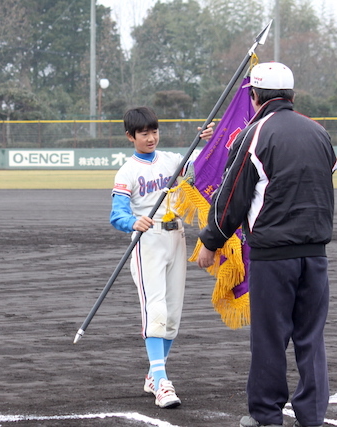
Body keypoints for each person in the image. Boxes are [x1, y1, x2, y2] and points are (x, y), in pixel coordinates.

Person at [196, 62, 337, 427]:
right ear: (292, 95)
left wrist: (211, 241)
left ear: (255, 96)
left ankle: (266, 415)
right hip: (316, 253)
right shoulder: (319, 132)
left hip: (273, 256)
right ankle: (312, 416)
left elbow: (232, 197)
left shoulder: (255, 133)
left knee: (270, 338)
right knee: (310, 338)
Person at [110, 107, 213, 409]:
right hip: (149, 240)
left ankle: (154, 373)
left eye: (154, 131)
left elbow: (206, 168)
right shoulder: (126, 171)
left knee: (172, 313)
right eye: (144, 133)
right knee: (155, 309)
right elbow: (117, 214)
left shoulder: (171, 160)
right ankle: (162, 381)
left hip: (177, 236)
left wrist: (206, 142)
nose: (151, 137)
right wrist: (132, 222)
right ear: (131, 136)